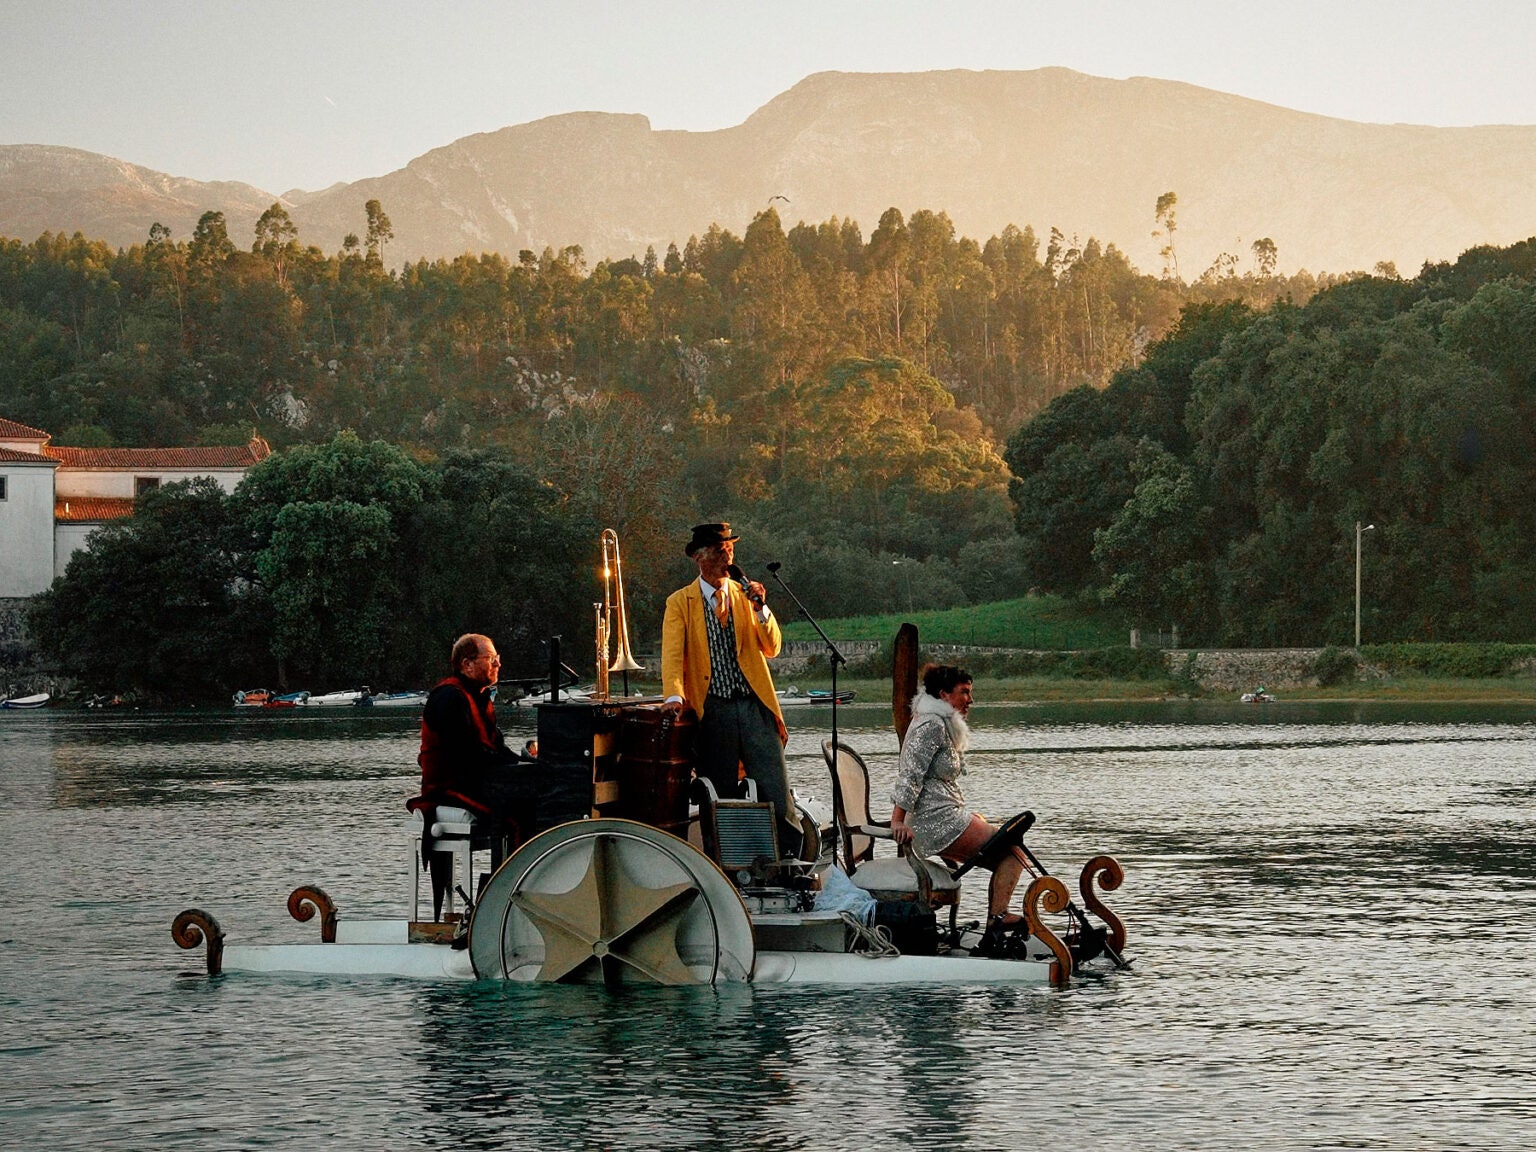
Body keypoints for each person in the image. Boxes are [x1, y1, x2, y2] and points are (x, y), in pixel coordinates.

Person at [660, 522, 802, 859]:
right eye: (721, 551)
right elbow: (672, 656)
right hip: (714, 709)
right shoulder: (681, 602)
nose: (728, 556)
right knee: (721, 792)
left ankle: (791, 862)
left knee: (775, 789)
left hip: (754, 704)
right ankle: (730, 864)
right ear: (700, 557)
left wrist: (761, 608)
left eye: (730, 550)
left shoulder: (744, 596)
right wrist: (674, 697)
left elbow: (772, 647)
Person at [890, 664, 1027, 928]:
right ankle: (997, 919)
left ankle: (997, 919)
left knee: (1006, 844)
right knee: (1014, 851)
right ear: (943, 694)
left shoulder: (939, 722)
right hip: (934, 822)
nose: (970, 700)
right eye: (964, 692)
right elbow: (910, 775)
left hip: (943, 815)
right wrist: (897, 821)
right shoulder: (931, 725)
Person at [416, 633, 528, 865]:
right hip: (450, 787)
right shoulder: (448, 697)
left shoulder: (477, 697)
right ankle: (509, 887)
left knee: (537, 798)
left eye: (497, 657)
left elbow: (496, 749)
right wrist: (516, 770)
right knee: (517, 814)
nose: (498, 663)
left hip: (474, 780)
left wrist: (528, 766)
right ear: (467, 664)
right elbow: (468, 756)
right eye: (490, 658)